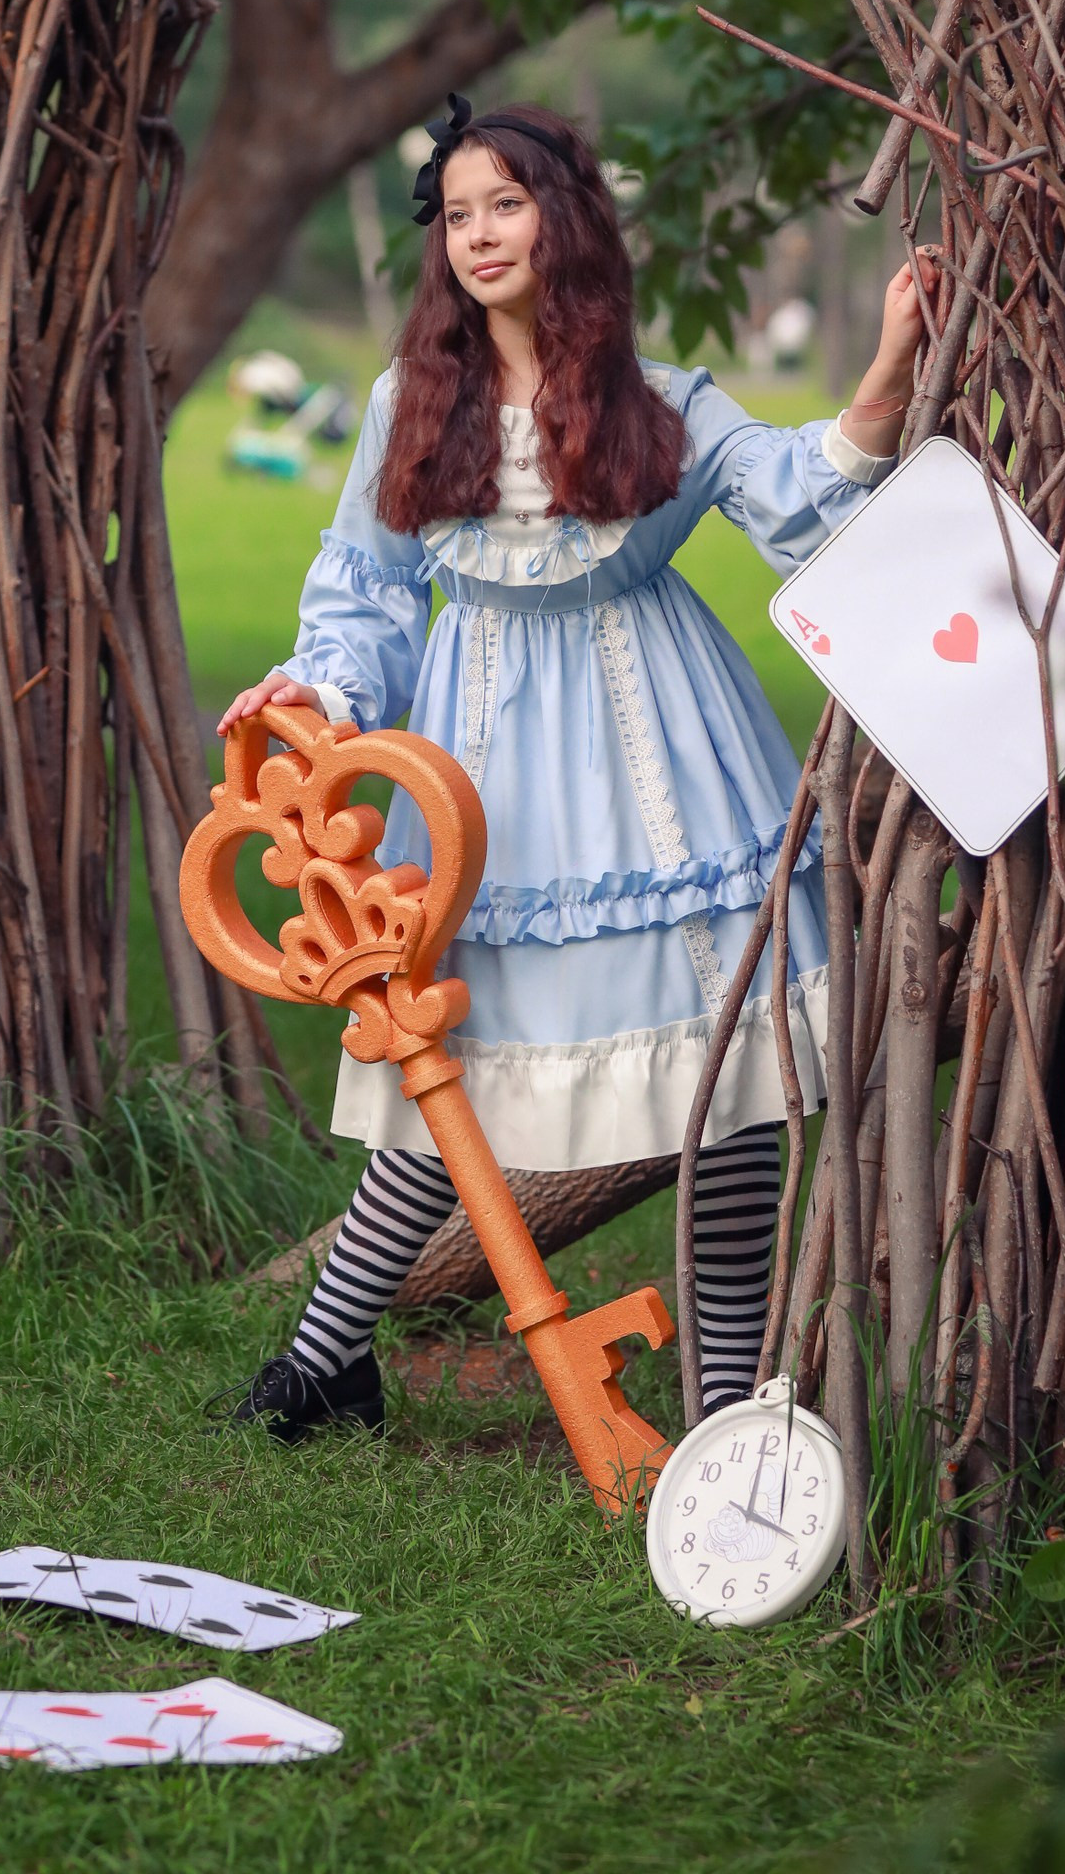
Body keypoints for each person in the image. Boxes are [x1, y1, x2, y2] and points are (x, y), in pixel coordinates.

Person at [218, 97, 936, 1442]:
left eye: (508, 202)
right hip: (479, 779)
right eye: (457, 212)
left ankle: (727, 1400)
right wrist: (311, 688)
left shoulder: (665, 403)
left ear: (567, 218)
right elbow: (363, 593)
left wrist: (891, 357)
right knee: (448, 1073)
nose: (479, 234)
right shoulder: (404, 405)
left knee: (732, 1089)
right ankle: (324, 1360)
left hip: (667, 756)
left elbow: (801, 496)